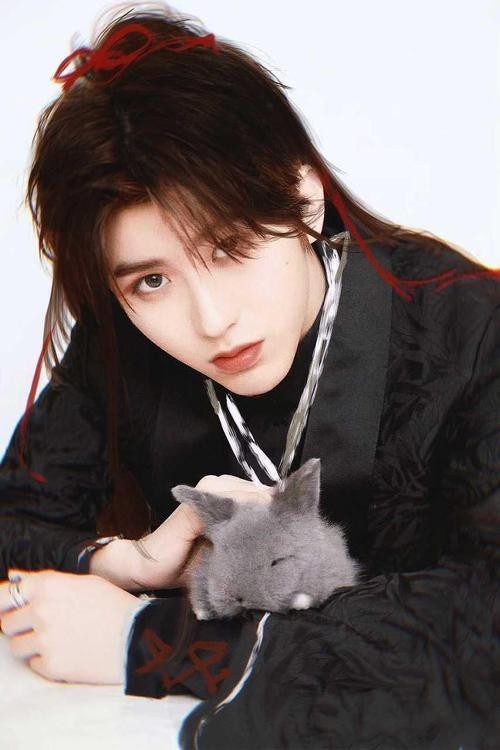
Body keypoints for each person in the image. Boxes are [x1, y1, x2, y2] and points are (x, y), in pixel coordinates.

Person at [0, 5, 499, 749]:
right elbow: (15, 518)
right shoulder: (124, 348)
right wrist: (133, 560)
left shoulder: (471, 329)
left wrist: (152, 641)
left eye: (230, 246)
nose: (212, 321)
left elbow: (484, 619)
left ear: (305, 195)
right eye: (151, 281)